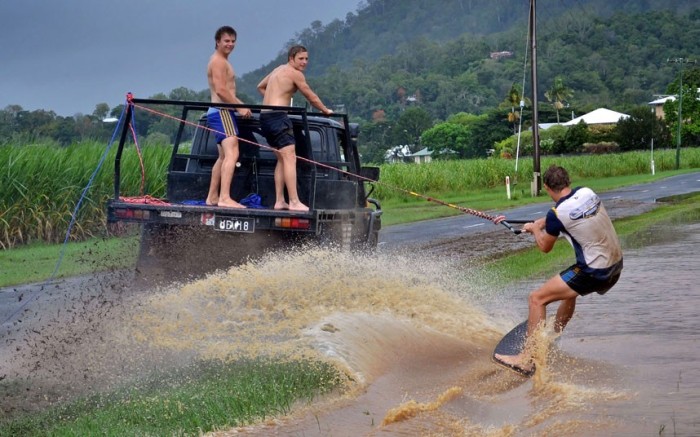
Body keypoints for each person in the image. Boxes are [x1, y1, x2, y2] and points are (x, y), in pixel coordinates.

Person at [494, 165, 623, 373]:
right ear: (568, 181)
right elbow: (563, 217)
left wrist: (536, 229)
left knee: (537, 298)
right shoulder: (587, 192)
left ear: (546, 187)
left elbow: (545, 246)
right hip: (615, 265)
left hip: (593, 271)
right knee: (569, 291)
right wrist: (542, 222)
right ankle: (553, 336)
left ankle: (527, 359)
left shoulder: (556, 214)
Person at [256, 45, 333, 211]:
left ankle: (279, 201)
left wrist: (276, 98)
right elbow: (310, 95)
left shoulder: (278, 69)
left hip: (265, 118)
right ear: (291, 58)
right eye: (301, 59)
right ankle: (294, 201)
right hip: (277, 118)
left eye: (306, 59)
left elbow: (260, 86)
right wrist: (325, 110)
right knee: (290, 157)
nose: (304, 62)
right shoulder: (295, 73)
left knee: (282, 159)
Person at [205, 26, 252, 208]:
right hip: (222, 111)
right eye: (226, 41)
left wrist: (241, 105)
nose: (230, 44)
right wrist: (239, 107)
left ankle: (212, 197)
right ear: (217, 41)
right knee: (233, 153)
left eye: (233, 41)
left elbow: (227, 91)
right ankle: (225, 198)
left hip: (221, 111)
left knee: (223, 156)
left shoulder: (222, 60)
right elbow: (221, 90)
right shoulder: (218, 61)